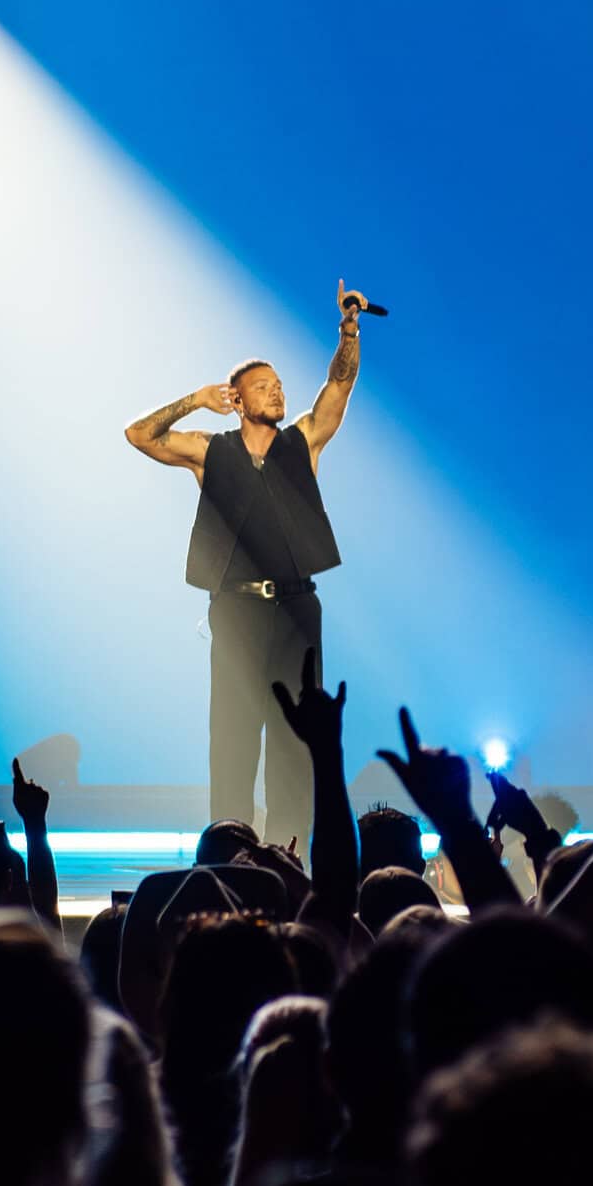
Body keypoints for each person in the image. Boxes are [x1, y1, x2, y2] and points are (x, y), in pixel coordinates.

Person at [125, 279, 368, 843]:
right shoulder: (210, 450)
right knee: (233, 735)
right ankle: (230, 850)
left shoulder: (302, 440)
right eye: (263, 387)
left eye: (279, 385)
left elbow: (338, 384)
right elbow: (139, 435)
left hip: (298, 608)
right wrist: (195, 399)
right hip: (236, 609)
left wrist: (349, 332)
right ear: (237, 400)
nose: (277, 393)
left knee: (296, 737)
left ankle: (290, 853)